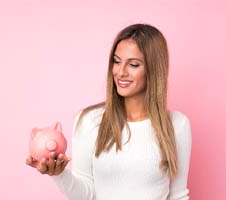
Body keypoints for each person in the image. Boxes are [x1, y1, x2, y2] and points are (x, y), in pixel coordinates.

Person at [26, 23, 192, 200]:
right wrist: (58, 174)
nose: (120, 72)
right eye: (117, 61)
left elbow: (178, 196)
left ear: (153, 70)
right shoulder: (89, 121)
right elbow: (86, 194)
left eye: (133, 65)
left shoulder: (177, 125)